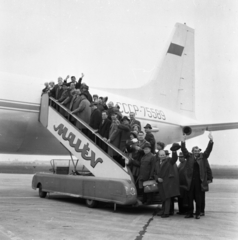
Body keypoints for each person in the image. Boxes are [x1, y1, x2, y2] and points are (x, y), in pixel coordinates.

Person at [181, 132, 214, 219]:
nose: (196, 152)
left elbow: (208, 150)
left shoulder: (203, 157)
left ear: (200, 151)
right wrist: (183, 141)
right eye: (194, 151)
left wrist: (211, 141)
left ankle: (198, 213)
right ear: (192, 152)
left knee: (198, 198)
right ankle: (190, 213)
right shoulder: (189, 157)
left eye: (197, 151)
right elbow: (184, 150)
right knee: (190, 198)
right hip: (190, 181)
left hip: (199, 182)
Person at [154, 145, 180, 218]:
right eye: (161, 155)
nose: (162, 156)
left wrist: (174, 151)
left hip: (167, 183)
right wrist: (157, 178)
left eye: (163, 155)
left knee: (167, 197)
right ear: (158, 156)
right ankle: (163, 210)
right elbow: (154, 173)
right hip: (160, 183)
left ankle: (166, 212)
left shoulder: (169, 161)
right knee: (163, 198)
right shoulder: (156, 163)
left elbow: (175, 158)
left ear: (165, 155)